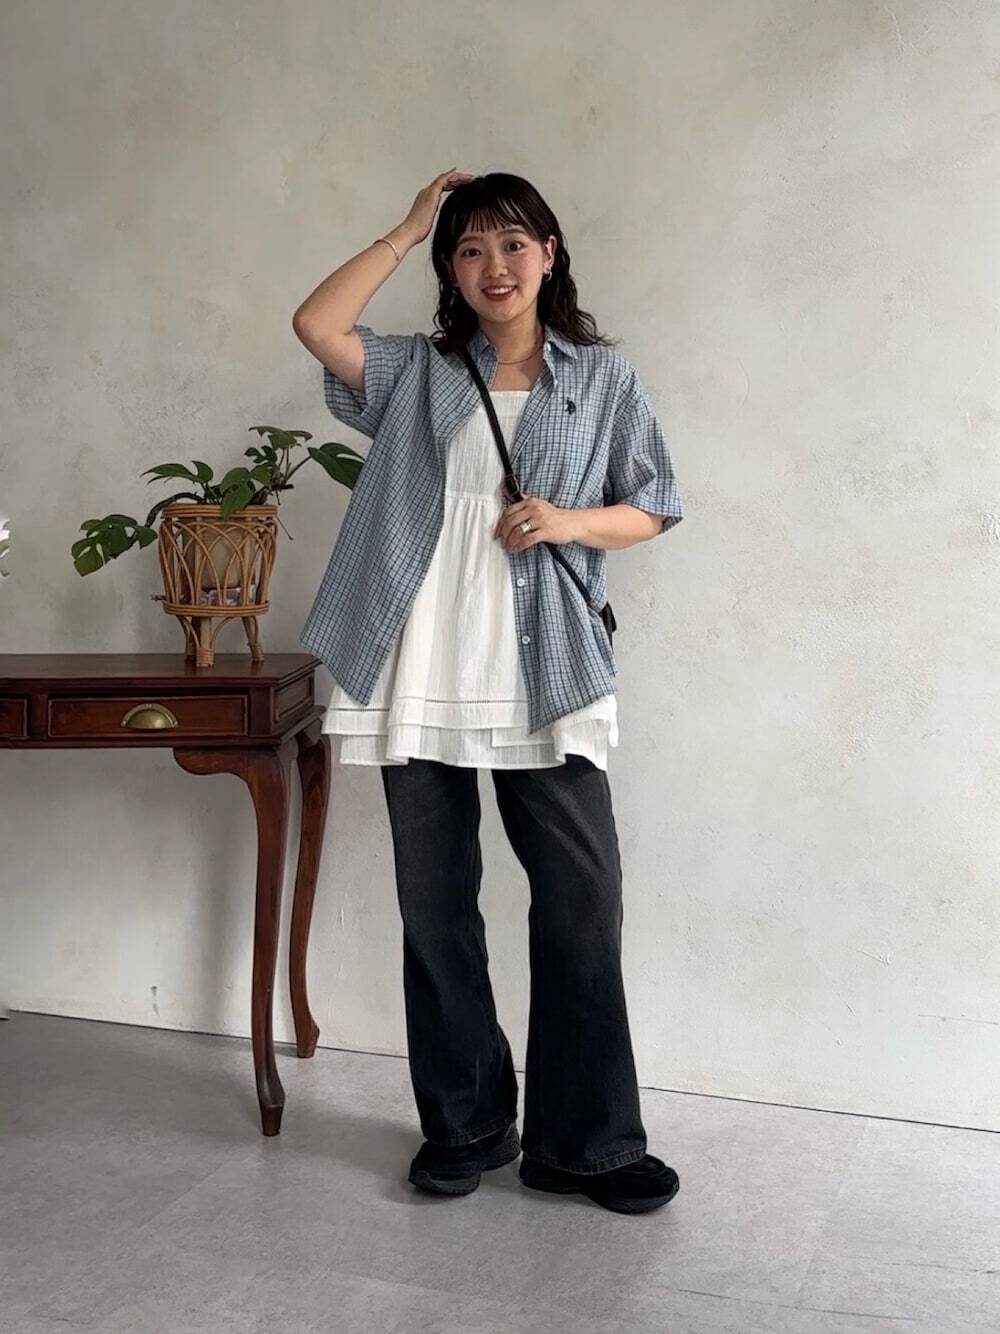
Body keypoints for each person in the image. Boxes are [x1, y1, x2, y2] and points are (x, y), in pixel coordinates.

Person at [292, 170, 683, 1215]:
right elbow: (317, 323)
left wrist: (568, 521)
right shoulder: (417, 371)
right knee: (436, 907)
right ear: (450, 271)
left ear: (549, 253)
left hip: (542, 664)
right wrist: (406, 224)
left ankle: (584, 1144)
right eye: (468, 249)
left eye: (513, 244)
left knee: (582, 899)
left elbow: (654, 502)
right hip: (418, 661)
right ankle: (463, 1124)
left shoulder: (600, 378)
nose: (494, 266)